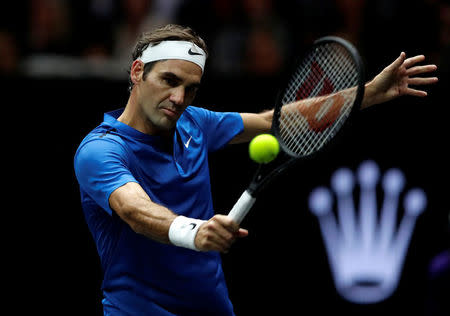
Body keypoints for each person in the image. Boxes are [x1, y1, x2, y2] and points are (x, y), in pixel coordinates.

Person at [74, 24, 438, 315]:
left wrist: (370, 92)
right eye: (169, 81)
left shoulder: (194, 122)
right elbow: (134, 210)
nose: (180, 99)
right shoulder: (101, 150)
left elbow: (273, 121)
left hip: (212, 306)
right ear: (138, 71)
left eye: (191, 89)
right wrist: (194, 232)